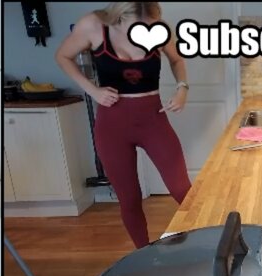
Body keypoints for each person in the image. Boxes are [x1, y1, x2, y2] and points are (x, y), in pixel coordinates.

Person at [56, 1, 194, 247]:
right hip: (113, 126)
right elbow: (63, 56)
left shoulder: (158, 27)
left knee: (183, 190)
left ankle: (213, 242)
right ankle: (143, 254)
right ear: (120, 16)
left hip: (153, 120)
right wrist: (92, 90)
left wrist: (182, 88)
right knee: (129, 199)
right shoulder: (93, 25)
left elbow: (177, 60)